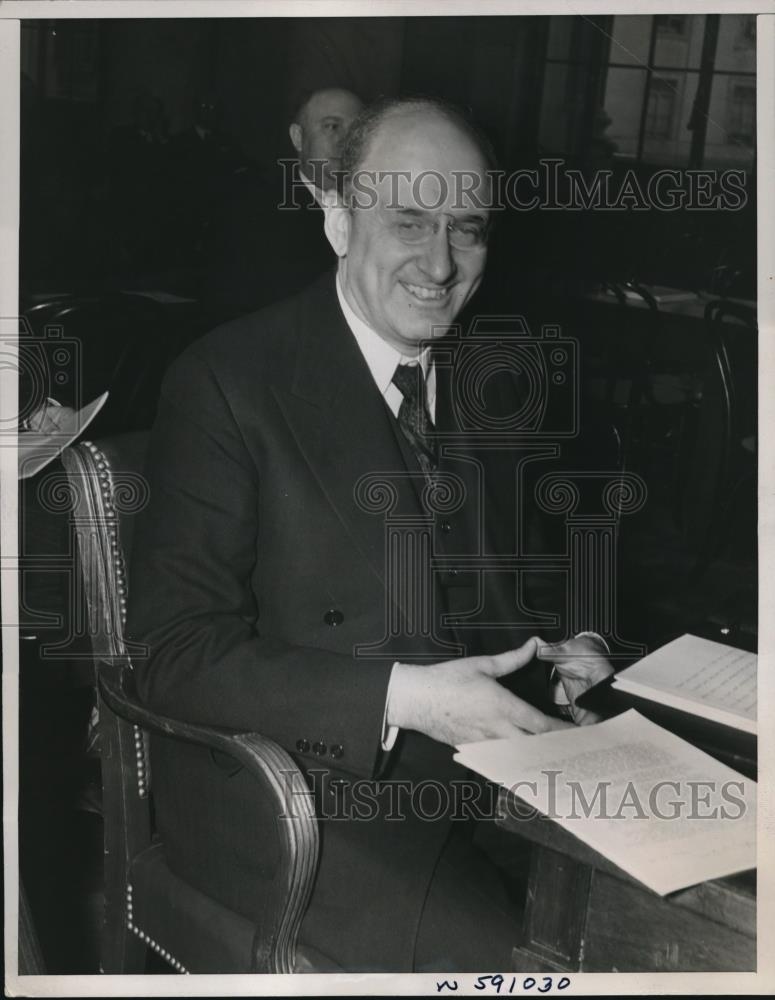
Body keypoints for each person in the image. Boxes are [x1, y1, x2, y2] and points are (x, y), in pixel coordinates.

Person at [128, 96, 614, 972]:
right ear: (337, 219)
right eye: (409, 221)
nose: (439, 263)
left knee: (672, 928)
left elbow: (516, 581)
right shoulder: (227, 381)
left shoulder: (490, 380)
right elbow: (170, 653)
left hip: (491, 779)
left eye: (466, 228)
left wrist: (569, 645)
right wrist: (405, 698)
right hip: (303, 808)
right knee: (539, 978)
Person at [202, 87, 363, 322]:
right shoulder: (257, 211)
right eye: (332, 126)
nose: (346, 142)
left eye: (357, 131)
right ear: (298, 138)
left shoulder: (377, 209)